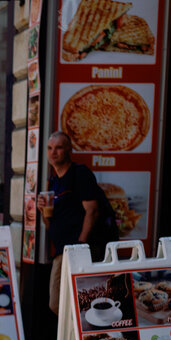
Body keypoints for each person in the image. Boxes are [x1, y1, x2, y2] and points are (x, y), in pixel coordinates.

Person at [40, 131, 101, 315]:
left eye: (58, 147)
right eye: (50, 148)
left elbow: (92, 211)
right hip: (61, 250)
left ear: (68, 150)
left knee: (59, 303)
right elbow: (49, 224)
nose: (53, 152)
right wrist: (42, 210)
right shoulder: (53, 182)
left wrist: (81, 245)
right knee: (62, 304)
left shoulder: (79, 174)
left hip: (77, 249)